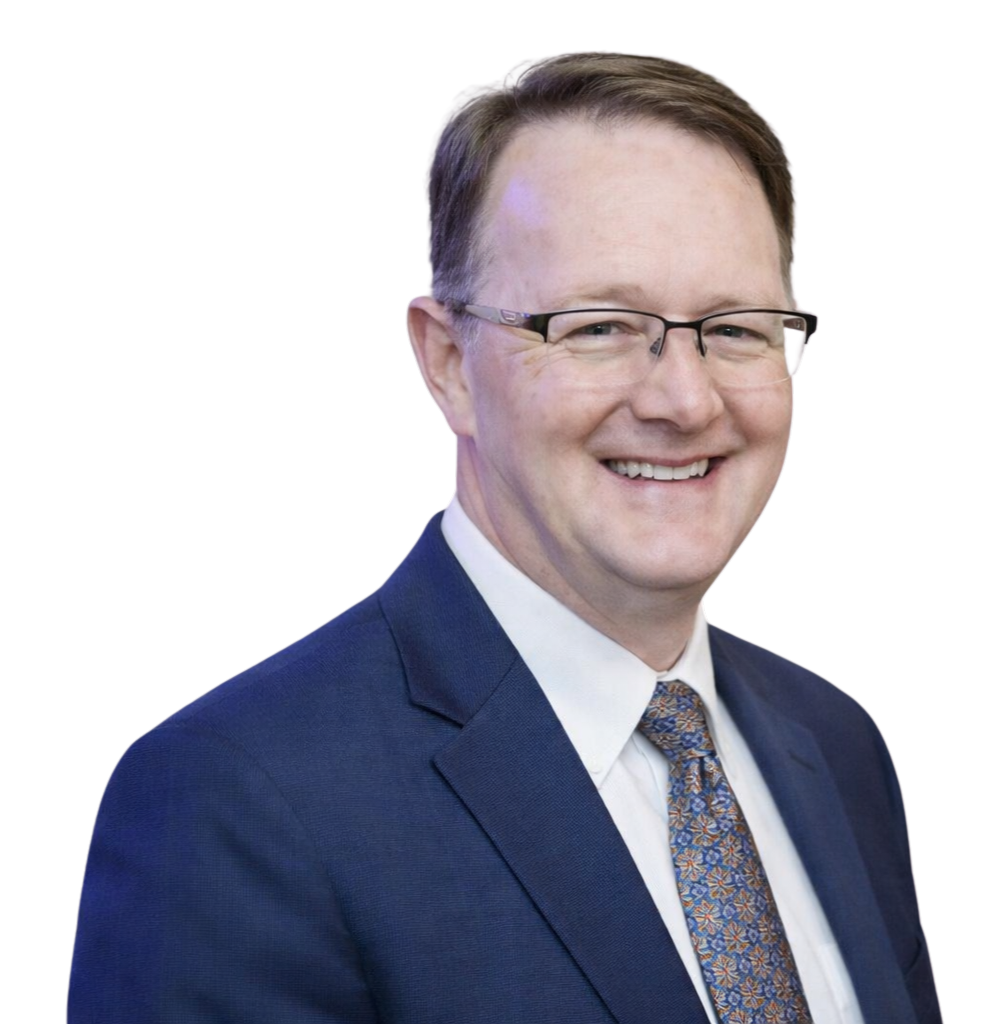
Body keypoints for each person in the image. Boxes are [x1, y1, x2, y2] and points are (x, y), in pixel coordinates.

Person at [68, 52, 940, 1024]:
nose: (685, 401)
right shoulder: (234, 797)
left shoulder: (835, 745)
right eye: (600, 326)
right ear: (447, 362)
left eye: (735, 328)